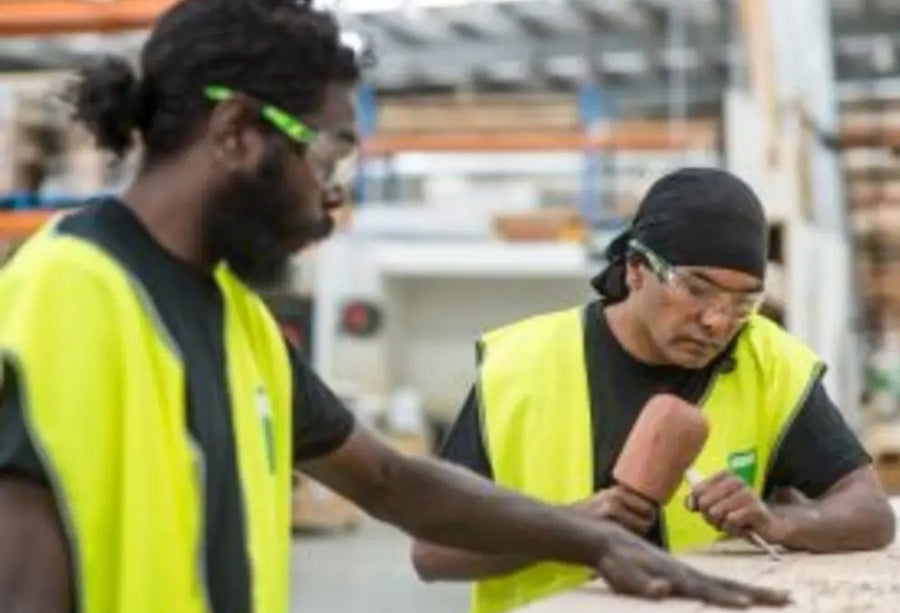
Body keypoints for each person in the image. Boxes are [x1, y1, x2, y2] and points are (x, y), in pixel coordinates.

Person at [0, 2, 791, 612]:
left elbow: (388, 478)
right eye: (329, 153)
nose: (332, 195)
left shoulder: (236, 321)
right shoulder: (65, 299)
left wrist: (594, 538)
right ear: (238, 131)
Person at [411, 167, 897, 613]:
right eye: (697, 289)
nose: (717, 320)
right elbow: (433, 551)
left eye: (743, 301)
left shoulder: (771, 366)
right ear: (636, 268)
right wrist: (564, 529)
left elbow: (870, 512)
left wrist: (778, 522)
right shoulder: (517, 367)